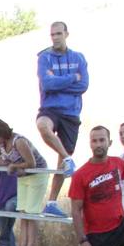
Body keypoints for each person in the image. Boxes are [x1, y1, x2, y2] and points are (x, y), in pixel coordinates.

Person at [37, 21, 88, 218]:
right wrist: (71, 78)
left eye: (59, 33)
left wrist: (63, 81)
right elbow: (47, 84)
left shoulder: (78, 57)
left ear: (67, 34)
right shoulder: (44, 58)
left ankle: (51, 203)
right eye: (52, 34)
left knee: (62, 159)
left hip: (71, 112)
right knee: (43, 126)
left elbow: (83, 85)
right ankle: (68, 159)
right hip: (50, 108)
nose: (55, 37)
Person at [0, 118, 47, 246]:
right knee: (23, 212)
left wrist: (15, 167)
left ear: (0, 133)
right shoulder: (3, 145)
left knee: (31, 212)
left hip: (37, 175)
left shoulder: (19, 141)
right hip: (23, 176)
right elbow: (3, 161)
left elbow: (32, 163)